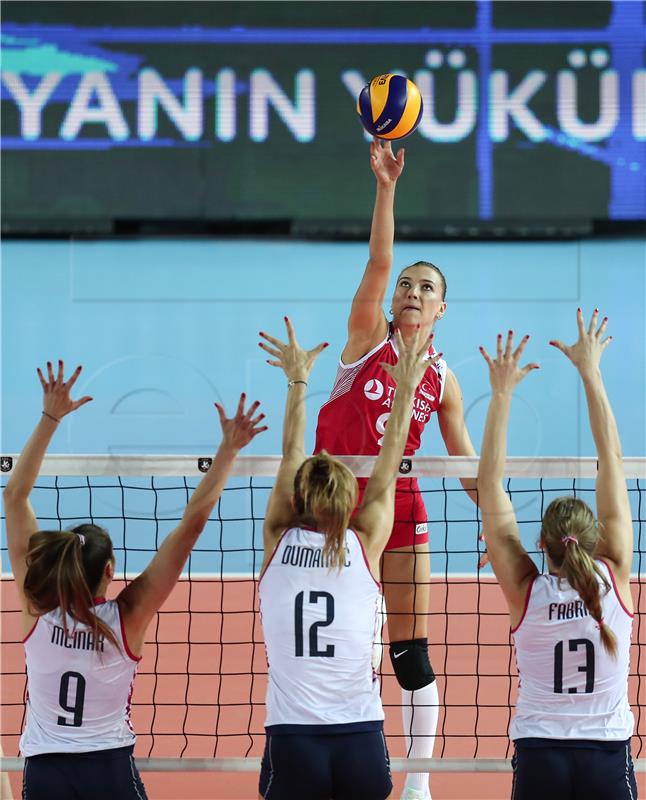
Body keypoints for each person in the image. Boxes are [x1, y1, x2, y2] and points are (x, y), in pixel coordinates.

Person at [3, 360, 266, 800]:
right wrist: (228, 451)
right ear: (110, 571)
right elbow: (193, 525)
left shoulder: (37, 608)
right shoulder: (129, 616)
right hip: (108, 771)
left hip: (47, 774)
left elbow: (14, 496)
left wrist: (51, 416)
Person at [314, 139, 478, 800]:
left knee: (410, 652)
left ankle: (417, 785)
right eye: (407, 285)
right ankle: (332, 759)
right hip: (332, 506)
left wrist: (498, 524)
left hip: (401, 506)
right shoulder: (364, 341)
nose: (411, 291)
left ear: (441, 311)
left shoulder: (442, 376)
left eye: (426, 288)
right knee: (339, 653)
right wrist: (386, 186)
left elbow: (465, 461)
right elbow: (379, 260)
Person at [257, 318, 439, 800]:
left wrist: (298, 380)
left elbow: (291, 451)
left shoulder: (278, 543)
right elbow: (389, 458)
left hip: (293, 738)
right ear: (346, 504)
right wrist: (404, 392)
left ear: (297, 497)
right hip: (359, 737)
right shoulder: (365, 545)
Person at [477, 310, 637, 800]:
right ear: (595, 539)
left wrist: (501, 394)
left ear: (540, 545)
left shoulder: (525, 591)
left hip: (540, 754)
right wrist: (591, 371)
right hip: (606, 754)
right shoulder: (614, 575)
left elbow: (488, 484)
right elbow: (611, 454)